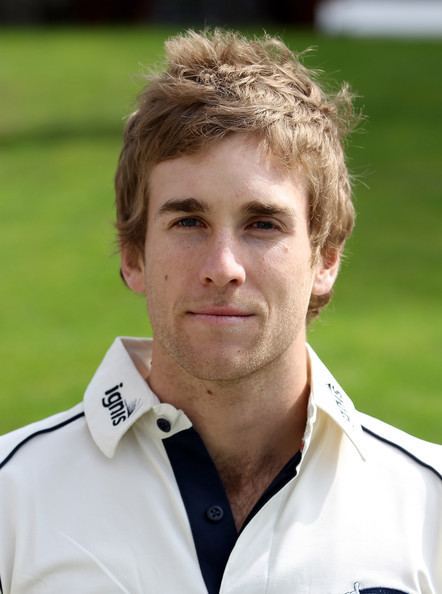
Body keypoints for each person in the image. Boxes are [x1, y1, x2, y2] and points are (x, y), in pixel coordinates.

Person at [0, 29, 440, 594]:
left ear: (325, 259)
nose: (223, 265)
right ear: (133, 255)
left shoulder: (429, 510)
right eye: (188, 222)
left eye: (263, 224)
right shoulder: (13, 500)